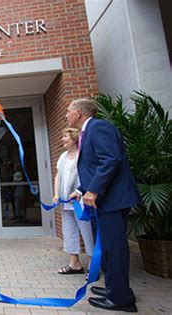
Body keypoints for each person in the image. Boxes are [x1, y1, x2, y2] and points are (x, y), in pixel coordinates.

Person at [67, 98, 140, 312]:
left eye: (69, 111)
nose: (66, 115)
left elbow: (110, 160)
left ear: (79, 113)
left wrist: (94, 190)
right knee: (107, 247)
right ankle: (114, 288)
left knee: (115, 248)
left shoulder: (99, 127)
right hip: (103, 200)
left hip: (113, 199)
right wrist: (81, 191)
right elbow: (94, 165)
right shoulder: (87, 132)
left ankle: (122, 299)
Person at [53, 128, 94, 276]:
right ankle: (74, 263)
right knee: (69, 231)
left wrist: (78, 192)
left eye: (65, 136)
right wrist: (57, 194)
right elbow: (58, 176)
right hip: (65, 202)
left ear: (75, 139)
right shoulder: (63, 156)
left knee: (87, 232)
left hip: (80, 201)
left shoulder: (82, 156)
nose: (62, 139)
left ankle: (92, 265)